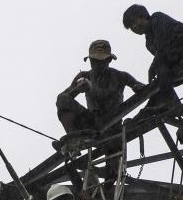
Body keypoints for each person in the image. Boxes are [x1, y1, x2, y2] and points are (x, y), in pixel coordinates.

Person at [55, 39, 145, 179]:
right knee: (63, 100)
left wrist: (138, 88)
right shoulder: (84, 76)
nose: (97, 64)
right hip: (91, 125)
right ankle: (73, 142)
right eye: (94, 61)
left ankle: (111, 170)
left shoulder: (120, 76)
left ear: (109, 60)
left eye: (101, 61)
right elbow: (62, 99)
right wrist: (77, 90)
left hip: (113, 128)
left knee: (113, 175)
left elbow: (142, 88)